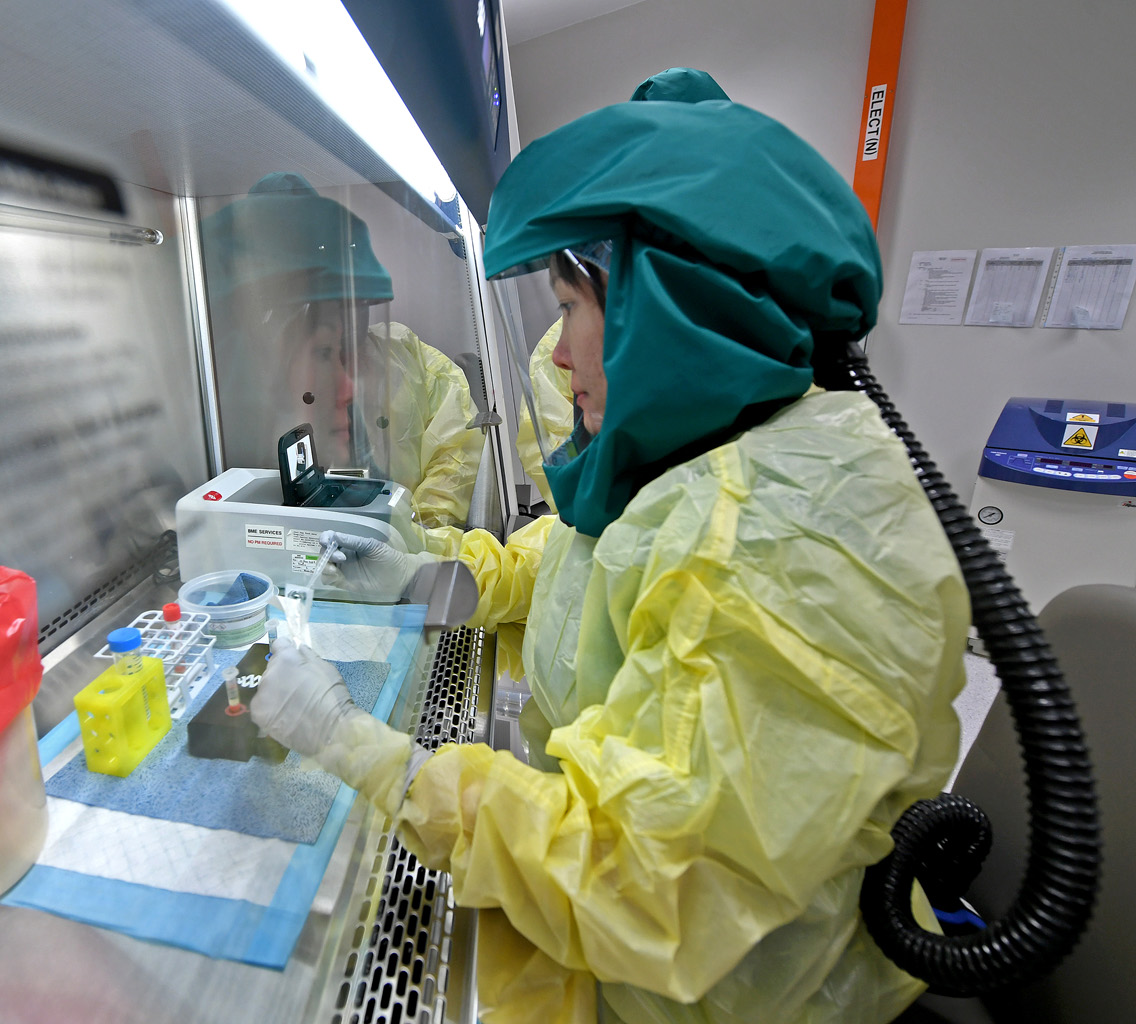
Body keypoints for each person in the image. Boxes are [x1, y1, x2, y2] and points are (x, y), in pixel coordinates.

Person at [252, 70, 969, 1024]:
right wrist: (429, 576)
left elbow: (643, 885)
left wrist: (357, 746)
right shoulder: (713, 455)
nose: (555, 354)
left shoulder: (776, 537)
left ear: (665, 310)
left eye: (571, 308)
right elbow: (577, 553)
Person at [200, 173, 484, 537]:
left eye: (355, 302)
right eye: (327, 307)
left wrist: (417, 532)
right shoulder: (249, 383)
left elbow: (457, 450)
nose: (347, 317)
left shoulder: (407, 354)